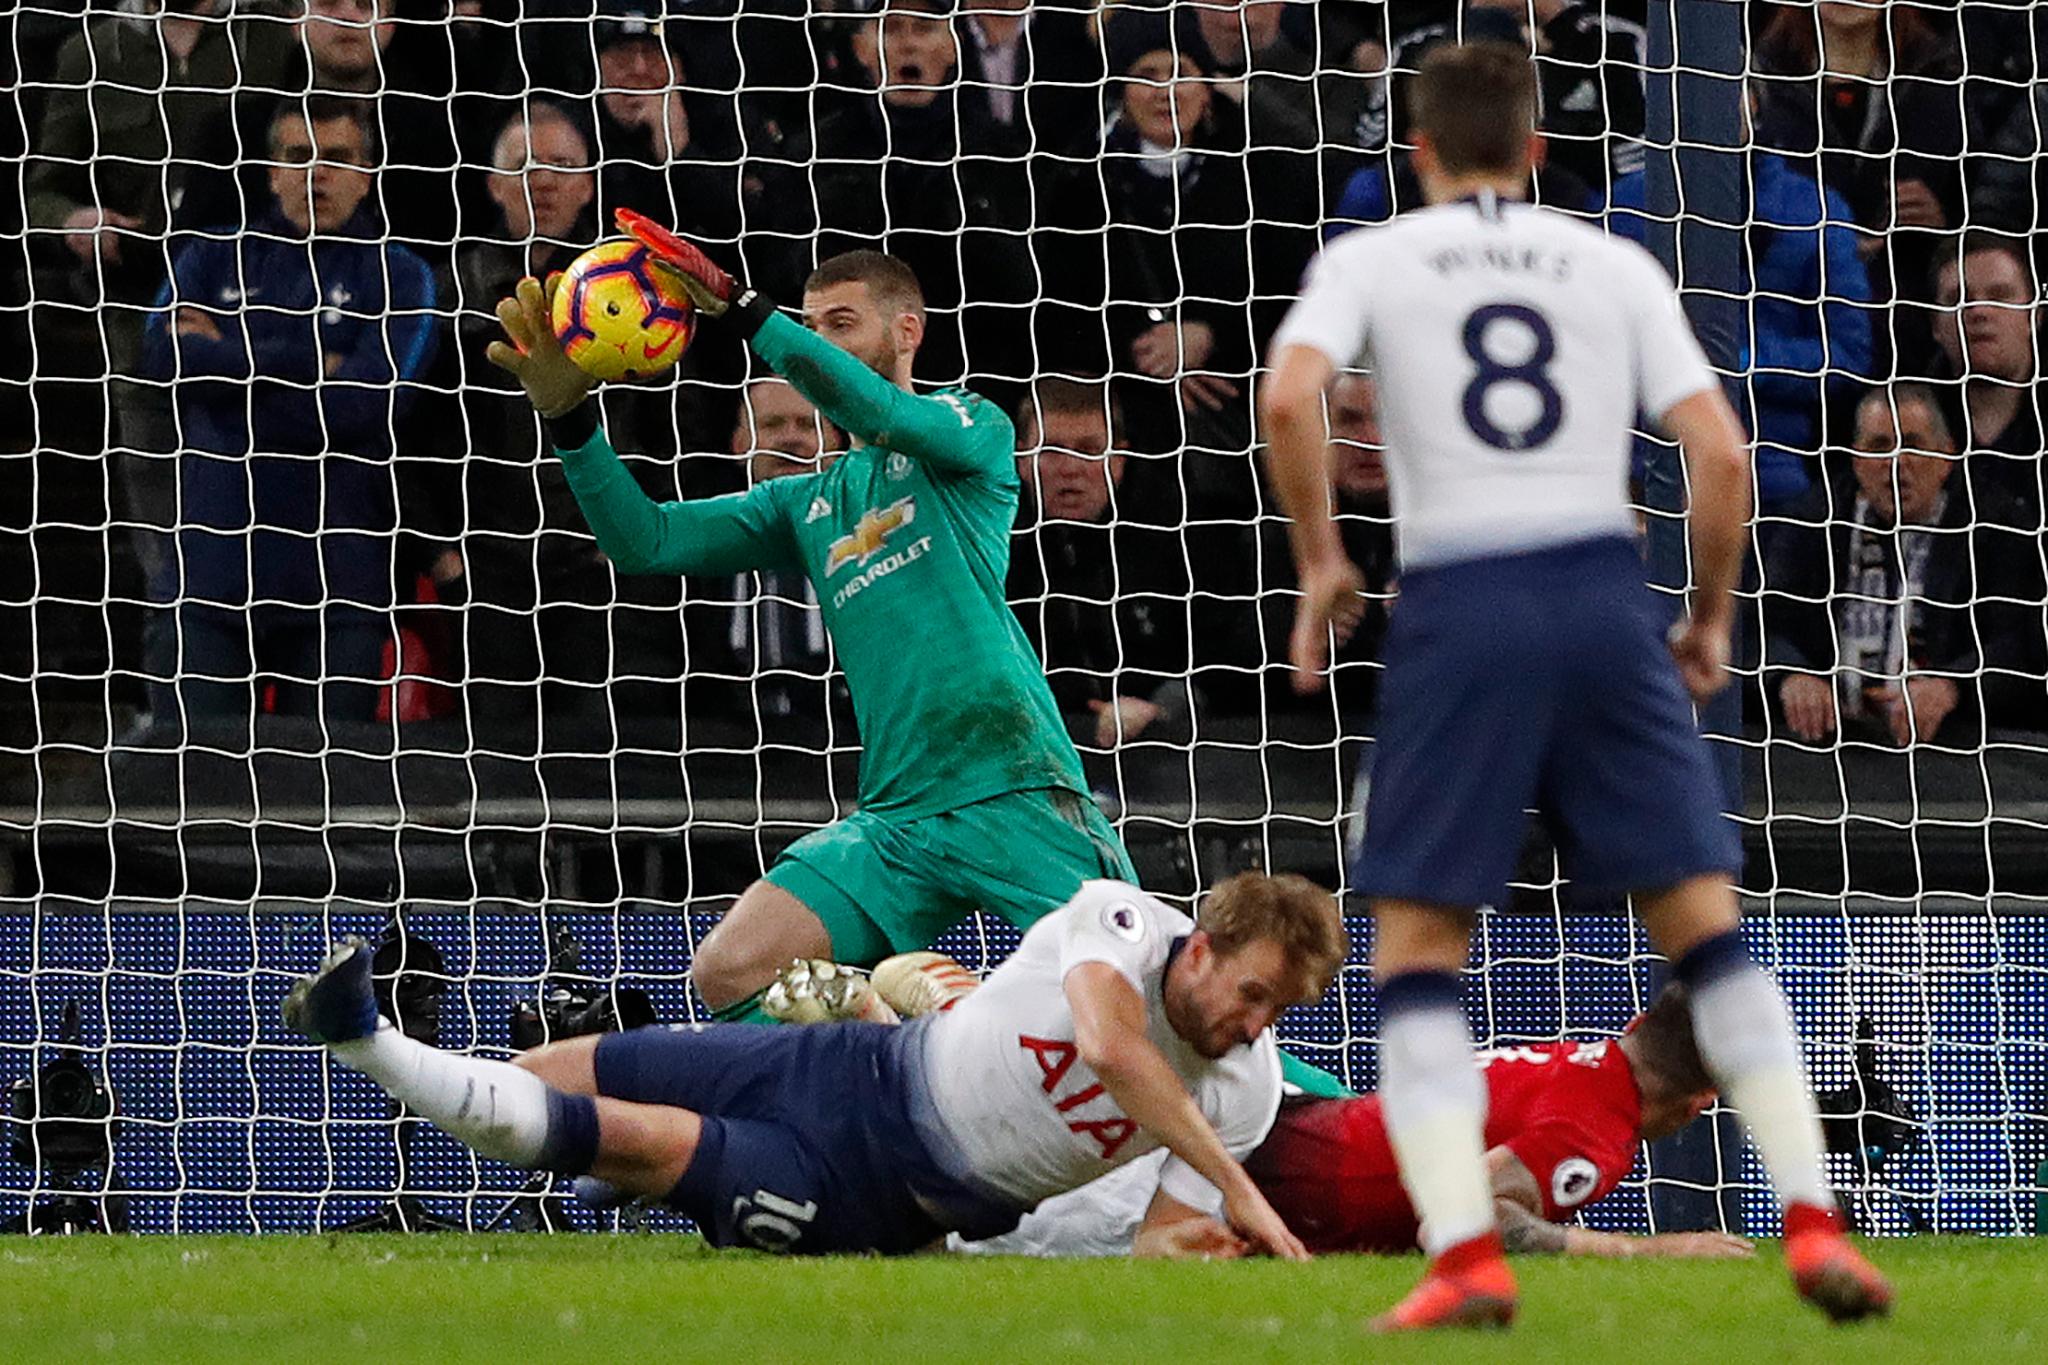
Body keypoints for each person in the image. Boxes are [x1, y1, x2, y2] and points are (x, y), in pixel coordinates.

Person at [1260, 42, 1890, 1329]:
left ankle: (1463, 1258)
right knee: (1708, 936)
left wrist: (1322, 560)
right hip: (1603, 590)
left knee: (1420, 954)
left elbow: (1285, 396)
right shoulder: (1610, 263)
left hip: (1459, 598)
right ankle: (1817, 1224)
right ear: (1540, 150)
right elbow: (1717, 452)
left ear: (1418, 152)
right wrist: (1707, 617)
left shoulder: (1376, 253)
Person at [483, 238, 1137, 1024]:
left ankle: (1327, 1113)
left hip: (1013, 785)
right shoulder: (807, 504)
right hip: (897, 817)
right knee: (730, 971)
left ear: (908, 331)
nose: (822, 343)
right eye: (814, 326)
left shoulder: (971, 429)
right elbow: (644, 541)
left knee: (1154, 1006)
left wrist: (748, 313)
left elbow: (879, 410)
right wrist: (570, 419)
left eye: (842, 323)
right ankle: (898, 1027)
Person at [282, 873, 1346, 1257]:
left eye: (1283, 1012)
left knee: (647, 1139)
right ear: (1198, 946)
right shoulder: (1111, 920)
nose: (1259, 1029)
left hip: (873, 1194)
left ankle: (368, 1038)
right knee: (574, 1065)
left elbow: (1160, 1237)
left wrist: (1197, 1245)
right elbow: (1113, 1049)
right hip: (847, 1066)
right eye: (1254, 995)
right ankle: (540, 1112)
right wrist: (1248, 1194)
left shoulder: (1241, 1091)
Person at [953, 982, 1752, 1262]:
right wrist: (1648, 1248)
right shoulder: (1597, 1130)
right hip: (1267, 1181)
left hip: (1286, 1134)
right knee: (977, 1220)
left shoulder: (1583, 1060)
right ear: (1702, 1100)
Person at [141, 97, 439, 729]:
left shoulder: (402, 276)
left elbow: (368, 406)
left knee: (327, 814)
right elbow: (162, 361)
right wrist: (315, 361)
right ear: (271, 171)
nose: (316, 174)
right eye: (298, 157)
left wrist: (228, 358)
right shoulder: (208, 257)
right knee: (195, 800)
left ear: (369, 173)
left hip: (336, 592)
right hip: (208, 585)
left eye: (336, 159)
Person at [1764, 386, 2043, 747]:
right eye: (1879, 447)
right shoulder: (1813, 522)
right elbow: (1760, 624)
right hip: (1832, 749)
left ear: (1947, 457)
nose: (1897, 462)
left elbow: (2022, 643)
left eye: (1913, 445)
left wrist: (1953, 687)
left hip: (1956, 754)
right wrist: (1790, 676)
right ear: (1856, 460)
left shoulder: (1996, 527)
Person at [1926, 236, 2044, 523]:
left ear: (2034, 316)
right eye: (1958, 298)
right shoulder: (1907, 423)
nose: (1977, 312)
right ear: (1935, 325)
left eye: (1999, 295)